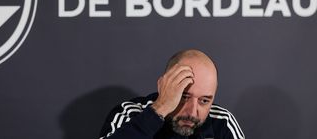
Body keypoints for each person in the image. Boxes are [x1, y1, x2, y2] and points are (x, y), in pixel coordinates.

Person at [99, 49, 245, 139]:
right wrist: (159, 109)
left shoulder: (222, 121)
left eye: (204, 101)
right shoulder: (131, 114)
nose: (192, 113)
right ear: (164, 86)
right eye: (184, 97)